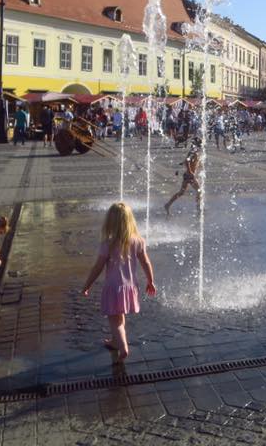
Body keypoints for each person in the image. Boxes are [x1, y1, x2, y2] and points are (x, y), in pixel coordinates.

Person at [81, 202, 156, 360]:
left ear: (110, 222)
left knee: (115, 321)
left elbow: (98, 267)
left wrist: (87, 285)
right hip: (129, 287)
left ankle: (123, 347)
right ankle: (115, 342)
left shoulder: (107, 244)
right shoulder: (138, 241)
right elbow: (146, 263)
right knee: (119, 316)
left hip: (113, 288)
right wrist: (150, 281)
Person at [163, 141, 202, 216]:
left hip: (187, 175)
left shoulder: (194, 151)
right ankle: (198, 208)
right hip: (190, 176)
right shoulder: (193, 151)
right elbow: (187, 161)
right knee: (199, 190)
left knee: (181, 192)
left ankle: (168, 205)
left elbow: (187, 161)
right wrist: (190, 171)